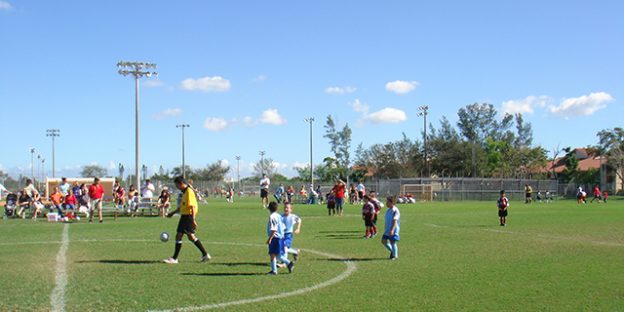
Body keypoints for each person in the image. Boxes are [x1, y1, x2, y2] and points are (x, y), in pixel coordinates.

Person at [163, 176, 211, 264]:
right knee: (190, 236)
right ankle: (205, 254)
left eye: (177, 185)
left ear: (181, 184)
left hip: (188, 217)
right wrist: (172, 213)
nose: (177, 187)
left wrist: (193, 220)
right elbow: (182, 207)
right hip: (185, 216)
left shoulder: (189, 192)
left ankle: (174, 258)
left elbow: (192, 206)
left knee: (180, 235)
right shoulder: (184, 192)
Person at [266, 201, 293, 275]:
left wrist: (270, 239)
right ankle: (289, 263)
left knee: (272, 254)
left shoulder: (272, 216)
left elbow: (273, 229)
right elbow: (283, 227)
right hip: (280, 237)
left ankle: (274, 271)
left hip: (275, 238)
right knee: (277, 255)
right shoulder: (279, 216)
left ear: (269, 208)